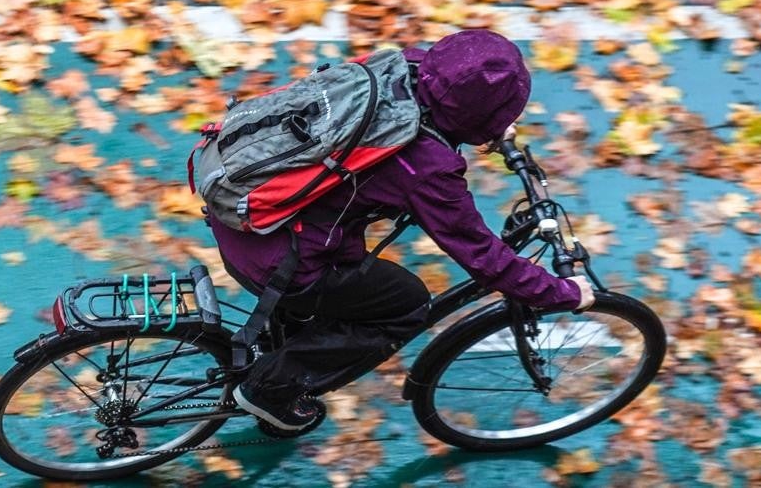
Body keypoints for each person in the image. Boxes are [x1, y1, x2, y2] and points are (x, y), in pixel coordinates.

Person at [209, 29, 596, 433]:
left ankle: (286, 341)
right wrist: (562, 292)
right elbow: (480, 253)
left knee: (349, 282)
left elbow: (443, 106)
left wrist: (486, 129)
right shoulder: (428, 169)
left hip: (244, 208)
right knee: (404, 303)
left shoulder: (401, 64)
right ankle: (268, 390)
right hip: (277, 258)